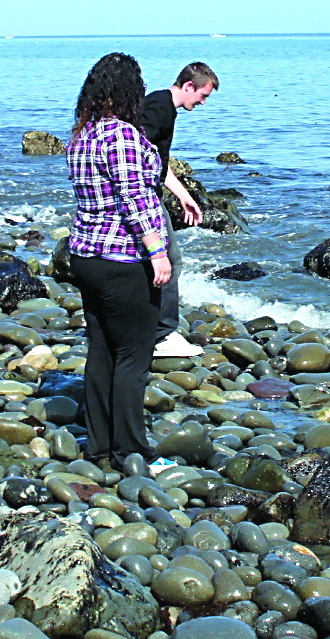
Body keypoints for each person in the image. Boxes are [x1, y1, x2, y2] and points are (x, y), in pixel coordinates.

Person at [65, 53, 173, 470]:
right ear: (130, 90)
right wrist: (158, 252)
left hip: (84, 253)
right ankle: (130, 447)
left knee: (102, 348)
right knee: (133, 352)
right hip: (121, 256)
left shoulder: (82, 136)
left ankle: (99, 444)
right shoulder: (123, 136)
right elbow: (135, 197)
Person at [139, 62, 218, 357]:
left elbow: (158, 161)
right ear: (188, 86)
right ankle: (163, 335)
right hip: (143, 197)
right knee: (169, 260)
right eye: (203, 95)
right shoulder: (159, 107)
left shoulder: (163, 106)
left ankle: (145, 326)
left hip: (147, 193)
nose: (203, 102)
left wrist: (184, 196)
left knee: (148, 264)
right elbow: (137, 150)